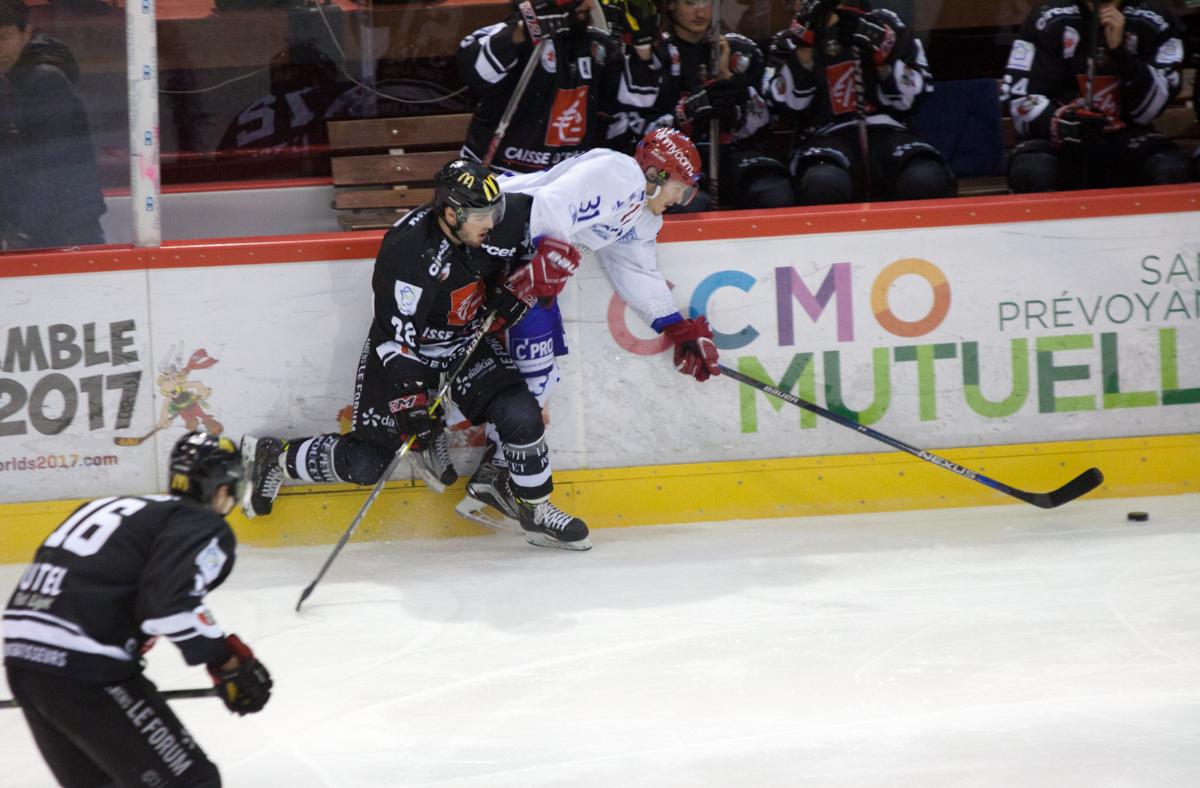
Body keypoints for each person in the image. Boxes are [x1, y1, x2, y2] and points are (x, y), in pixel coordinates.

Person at [240, 159, 593, 550]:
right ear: (451, 214)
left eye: (494, 212)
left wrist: (524, 283)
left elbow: (552, 234)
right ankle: (274, 457)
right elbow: (395, 336)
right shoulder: (409, 250)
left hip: (464, 342)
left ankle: (536, 511)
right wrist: (411, 402)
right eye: (482, 216)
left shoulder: (498, 220)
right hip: (407, 352)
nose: (492, 223)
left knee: (521, 413)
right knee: (368, 463)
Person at [455, 127, 722, 531]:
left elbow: (634, 270)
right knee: (486, 365)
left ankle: (496, 474)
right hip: (489, 239)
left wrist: (677, 328)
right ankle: (436, 434)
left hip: (527, 268)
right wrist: (548, 257)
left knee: (537, 379)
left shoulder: (641, 215)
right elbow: (549, 204)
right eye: (680, 189)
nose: (680, 200)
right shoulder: (618, 172)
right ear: (657, 174)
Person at [2, 432, 272, 788]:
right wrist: (223, 658)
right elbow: (167, 608)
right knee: (192, 782)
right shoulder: (201, 524)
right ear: (221, 490)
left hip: (22, 659)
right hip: (84, 667)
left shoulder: (113, 508)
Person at [606, 0, 793, 210]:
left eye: (706, 2)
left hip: (729, 154)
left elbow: (762, 126)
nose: (700, 11)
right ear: (671, 5)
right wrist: (685, 114)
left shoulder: (736, 51)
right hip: (668, 160)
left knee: (773, 190)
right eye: (690, 2)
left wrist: (732, 87)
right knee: (689, 204)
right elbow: (630, 131)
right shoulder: (654, 54)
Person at [764, 0, 956, 204]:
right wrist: (804, 48)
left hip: (889, 133)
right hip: (825, 137)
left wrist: (882, 56)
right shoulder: (788, 41)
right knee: (823, 181)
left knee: (926, 177)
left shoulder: (885, 24)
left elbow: (912, 99)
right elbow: (786, 107)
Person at [1001, 0, 1189, 193]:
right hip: (1061, 142)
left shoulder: (1155, 21)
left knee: (1170, 168)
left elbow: (1153, 106)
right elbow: (1020, 101)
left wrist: (1120, 53)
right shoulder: (1047, 19)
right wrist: (1064, 124)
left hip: (1129, 138)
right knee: (1031, 170)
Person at [456, 0, 623, 175]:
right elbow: (474, 74)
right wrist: (523, 32)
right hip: (499, 176)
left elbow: (616, 106)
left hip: (566, 180)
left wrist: (633, 50)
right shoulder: (510, 33)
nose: (590, 4)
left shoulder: (598, 43)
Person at [0, 0, 105, 251]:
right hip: (32, 226)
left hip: (64, 231)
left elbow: (52, 164)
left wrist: (21, 231)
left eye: (3, 37)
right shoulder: (10, 80)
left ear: (26, 32)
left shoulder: (46, 82)